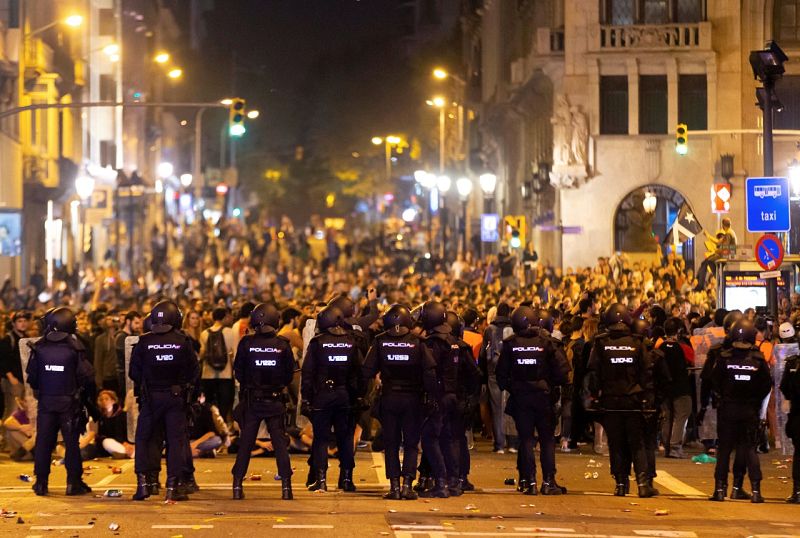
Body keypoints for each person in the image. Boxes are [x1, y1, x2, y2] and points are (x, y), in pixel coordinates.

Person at [362, 304, 437, 500]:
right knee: (411, 443)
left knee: (391, 443)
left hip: (389, 397)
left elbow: (367, 371)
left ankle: (394, 486)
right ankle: (406, 486)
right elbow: (430, 373)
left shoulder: (380, 341)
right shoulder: (418, 342)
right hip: (412, 398)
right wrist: (430, 396)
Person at [586, 304, 658, 498]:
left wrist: (595, 395)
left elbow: (593, 374)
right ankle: (643, 483)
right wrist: (647, 398)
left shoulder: (601, 343)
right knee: (638, 443)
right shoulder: (637, 342)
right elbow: (647, 373)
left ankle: (620, 484)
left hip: (610, 400)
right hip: (633, 400)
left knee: (616, 443)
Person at [129, 300, 199, 501]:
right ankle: (172, 486)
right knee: (175, 442)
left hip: (151, 397)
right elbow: (193, 371)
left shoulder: (143, 342)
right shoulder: (182, 341)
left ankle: (145, 484)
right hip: (175, 397)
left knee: (145, 439)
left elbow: (134, 372)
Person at [497, 306, 570, 495]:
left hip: (521, 398)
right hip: (544, 398)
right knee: (546, 441)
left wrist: (515, 388)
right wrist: (551, 385)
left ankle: (529, 481)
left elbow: (501, 375)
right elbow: (563, 372)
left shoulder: (511, 344)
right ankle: (548, 481)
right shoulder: (547, 342)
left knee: (526, 440)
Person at [26, 307, 97, 496]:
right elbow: (87, 375)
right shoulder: (74, 347)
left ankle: (41, 483)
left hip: (46, 402)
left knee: (43, 442)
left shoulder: (39, 347)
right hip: (69, 403)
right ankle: (73, 483)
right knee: (71, 443)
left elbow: (32, 377)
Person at [231, 303, 295, 500]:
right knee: (280, 444)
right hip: (275, 400)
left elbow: (239, 371)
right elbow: (288, 375)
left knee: (246, 443)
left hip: (253, 400)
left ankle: (237, 485)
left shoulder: (247, 343)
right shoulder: (282, 344)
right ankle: (286, 487)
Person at [301, 305, 363, 492]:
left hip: (322, 395)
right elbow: (358, 372)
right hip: (344, 395)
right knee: (345, 438)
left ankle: (320, 480)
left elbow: (308, 373)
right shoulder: (351, 342)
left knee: (321, 439)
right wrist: (357, 396)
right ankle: (346, 479)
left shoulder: (318, 342)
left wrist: (306, 398)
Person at [709, 319, 771, 503]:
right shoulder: (758, 360)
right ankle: (755, 491)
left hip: (728, 409)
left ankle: (719, 489)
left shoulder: (724, 358)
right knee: (749, 449)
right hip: (749, 410)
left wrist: (723, 396)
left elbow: (714, 381)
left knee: (724, 451)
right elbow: (766, 385)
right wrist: (755, 400)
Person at [657, 317, 694, 458]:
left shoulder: (660, 346)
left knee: (668, 417)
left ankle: (667, 446)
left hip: (665, 388)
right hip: (681, 387)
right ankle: (675, 447)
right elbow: (690, 362)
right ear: (678, 331)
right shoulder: (681, 347)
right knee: (682, 415)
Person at [479, 302, 514, 454]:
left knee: (497, 407)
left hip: (493, 371)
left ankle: (499, 444)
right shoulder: (513, 329)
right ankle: (513, 443)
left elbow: (482, 354)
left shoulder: (489, 329)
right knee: (511, 407)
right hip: (512, 373)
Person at [199, 307, 236, 423]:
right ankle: (223, 427)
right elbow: (234, 354)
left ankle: (212, 427)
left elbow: (201, 354)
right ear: (225, 317)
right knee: (224, 404)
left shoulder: (204, 333)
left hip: (208, 374)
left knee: (209, 404)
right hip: (225, 374)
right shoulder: (230, 332)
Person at [779, 330, 800, 502]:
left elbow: (784, 387)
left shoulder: (792, 364)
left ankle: (797, 492)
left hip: (798, 413)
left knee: (799, 453)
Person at [0, 311, 31, 421]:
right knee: (11, 410)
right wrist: (10, 377)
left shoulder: (26, 338)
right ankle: (6, 436)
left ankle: (13, 437)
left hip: (23, 380)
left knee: (20, 411)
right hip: (12, 381)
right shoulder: (8, 339)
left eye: (24, 321)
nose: (23, 323)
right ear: (13, 324)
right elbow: (3, 360)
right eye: (19, 321)